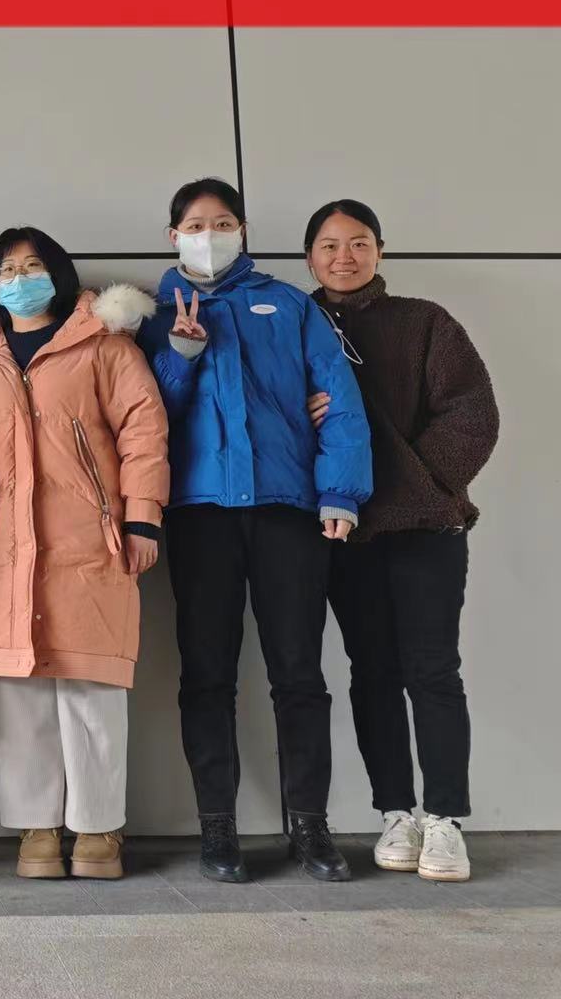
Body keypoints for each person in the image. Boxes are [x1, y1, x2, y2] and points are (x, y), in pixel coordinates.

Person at [137, 178, 372, 883]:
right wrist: (179, 358)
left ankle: (310, 827)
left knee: (298, 671)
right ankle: (218, 829)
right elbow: (145, 419)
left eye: (223, 222)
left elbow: (340, 399)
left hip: (286, 510)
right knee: (207, 674)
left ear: (242, 230)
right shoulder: (151, 314)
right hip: (199, 513)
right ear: (173, 236)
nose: (208, 235)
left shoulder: (291, 305)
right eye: (194, 225)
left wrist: (339, 491)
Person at [0, 228, 169, 881]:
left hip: (91, 540)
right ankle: (38, 828)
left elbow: (143, 428)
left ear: (59, 274)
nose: (20, 279)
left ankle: (99, 829)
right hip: (9, 545)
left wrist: (143, 518)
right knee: (18, 696)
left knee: (91, 688)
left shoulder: (103, 343)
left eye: (33, 266)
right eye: (7, 270)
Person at [304, 199, 497, 883]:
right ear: (309, 258)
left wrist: (412, 488)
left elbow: (472, 416)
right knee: (373, 672)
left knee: (433, 670)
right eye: (330, 246)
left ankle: (445, 819)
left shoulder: (425, 322)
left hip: (424, 529)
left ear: (380, 250)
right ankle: (396, 812)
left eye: (359, 243)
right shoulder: (294, 323)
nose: (344, 257)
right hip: (342, 531)